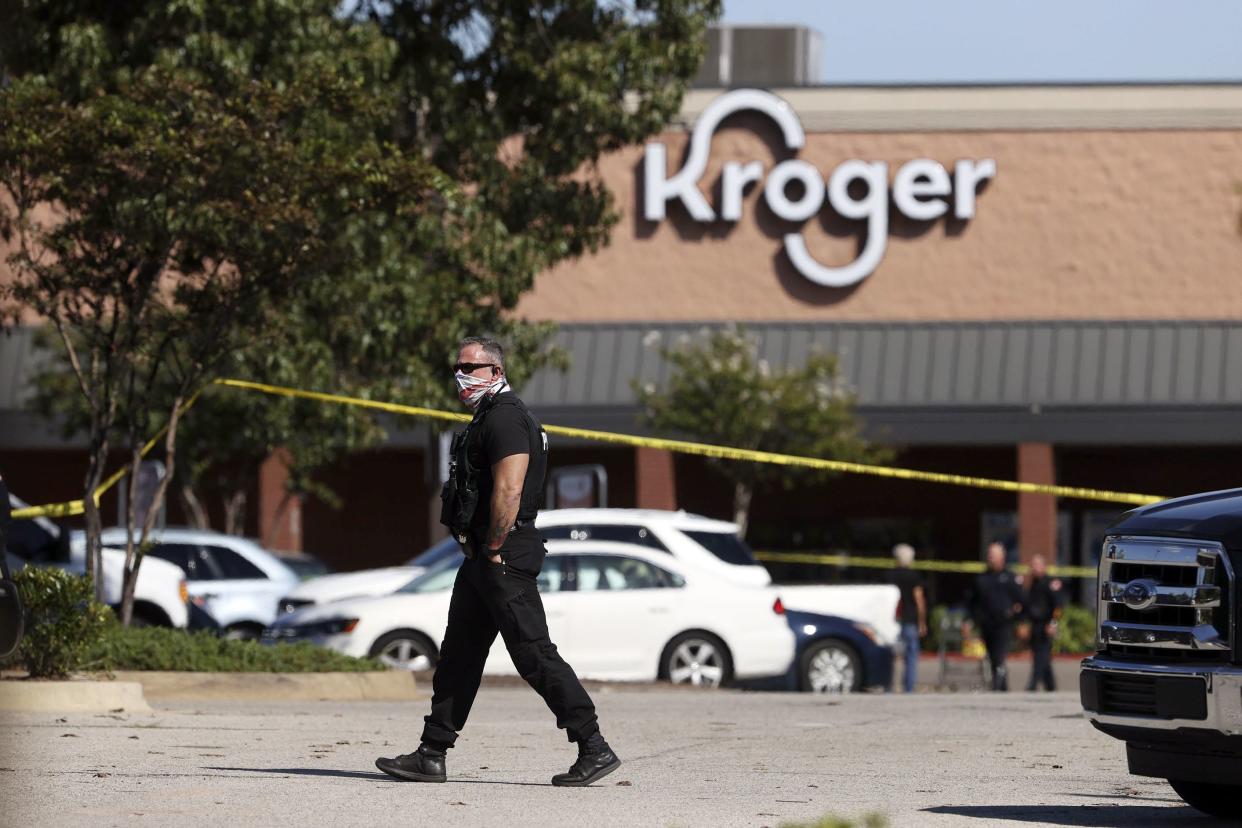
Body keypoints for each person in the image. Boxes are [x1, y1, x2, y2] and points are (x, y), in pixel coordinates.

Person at [376, 337, 620, 787]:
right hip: (482, 558)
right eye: (457, 365)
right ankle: (432, 753)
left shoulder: (506, 418)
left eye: (472, 366)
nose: (461, 374)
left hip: (501, 553)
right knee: (459, 657)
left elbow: (509, 490)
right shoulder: (487, 416)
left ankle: (593, 745)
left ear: (496, 370)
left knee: (534, 654)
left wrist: (493, 547)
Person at [966, 542, 1024, 692]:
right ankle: (1003, 688)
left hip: (1004, 623)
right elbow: (973, 602)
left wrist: (1021, 621)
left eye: (994, 555)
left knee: (999, 655)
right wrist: (969, 621)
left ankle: (996, 688)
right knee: (992, 657)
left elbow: (1022, 600)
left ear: (1002, 557)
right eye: (989, 555)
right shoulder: (981, 578)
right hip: (987, 623)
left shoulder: (1010, 577)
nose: (990, 558)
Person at [887, 543, 927, 693]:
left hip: (891, 621)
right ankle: (908, 689)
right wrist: (922, 621)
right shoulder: (914, 576)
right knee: (910, 656)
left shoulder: (888, 576)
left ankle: (888, 686)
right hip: (909, 620)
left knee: (889, 655)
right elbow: (919, 600)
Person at [1023, 553, 1063, 691]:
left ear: (1044, 566)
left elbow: (1058, 606)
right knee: (1041, 657)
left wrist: (1052, 624)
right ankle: (1050, 686)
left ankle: (1032, 686)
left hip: (1046, 625)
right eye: (1032, 565)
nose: (1033, 568)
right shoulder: (1033, 584)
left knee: (1041, 655)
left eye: (1036, 565)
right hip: (1035, 625)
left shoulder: (1050, 583)